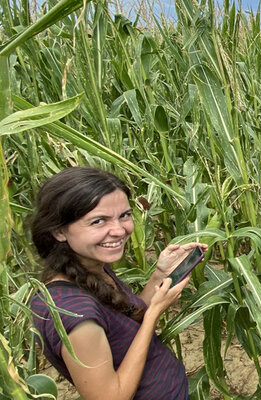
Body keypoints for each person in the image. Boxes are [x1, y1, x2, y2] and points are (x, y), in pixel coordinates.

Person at [29, 167, 207, 400]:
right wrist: (154, 314)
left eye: (124, 215)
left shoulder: (91, 268)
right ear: (59, 231)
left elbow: (123, 326)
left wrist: (159, 275)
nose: (119, 230)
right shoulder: (72, 314)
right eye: (98, 221)